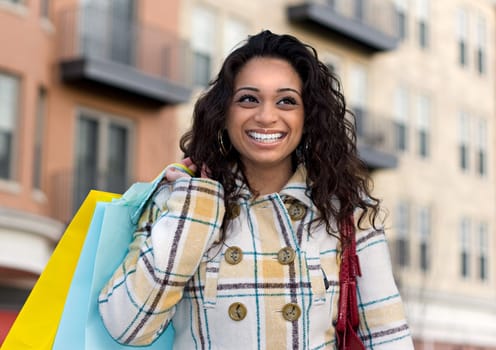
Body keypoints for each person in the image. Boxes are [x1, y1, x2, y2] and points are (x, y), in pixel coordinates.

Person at [98, 30, 414, 349]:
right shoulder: (177, 202)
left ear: (308, 117)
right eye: (249, 98)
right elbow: (128, 326)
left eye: (286, 101)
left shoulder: (346, 213)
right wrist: (197, 210)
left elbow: (390, 339)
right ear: (225, 112)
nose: (266, 116)